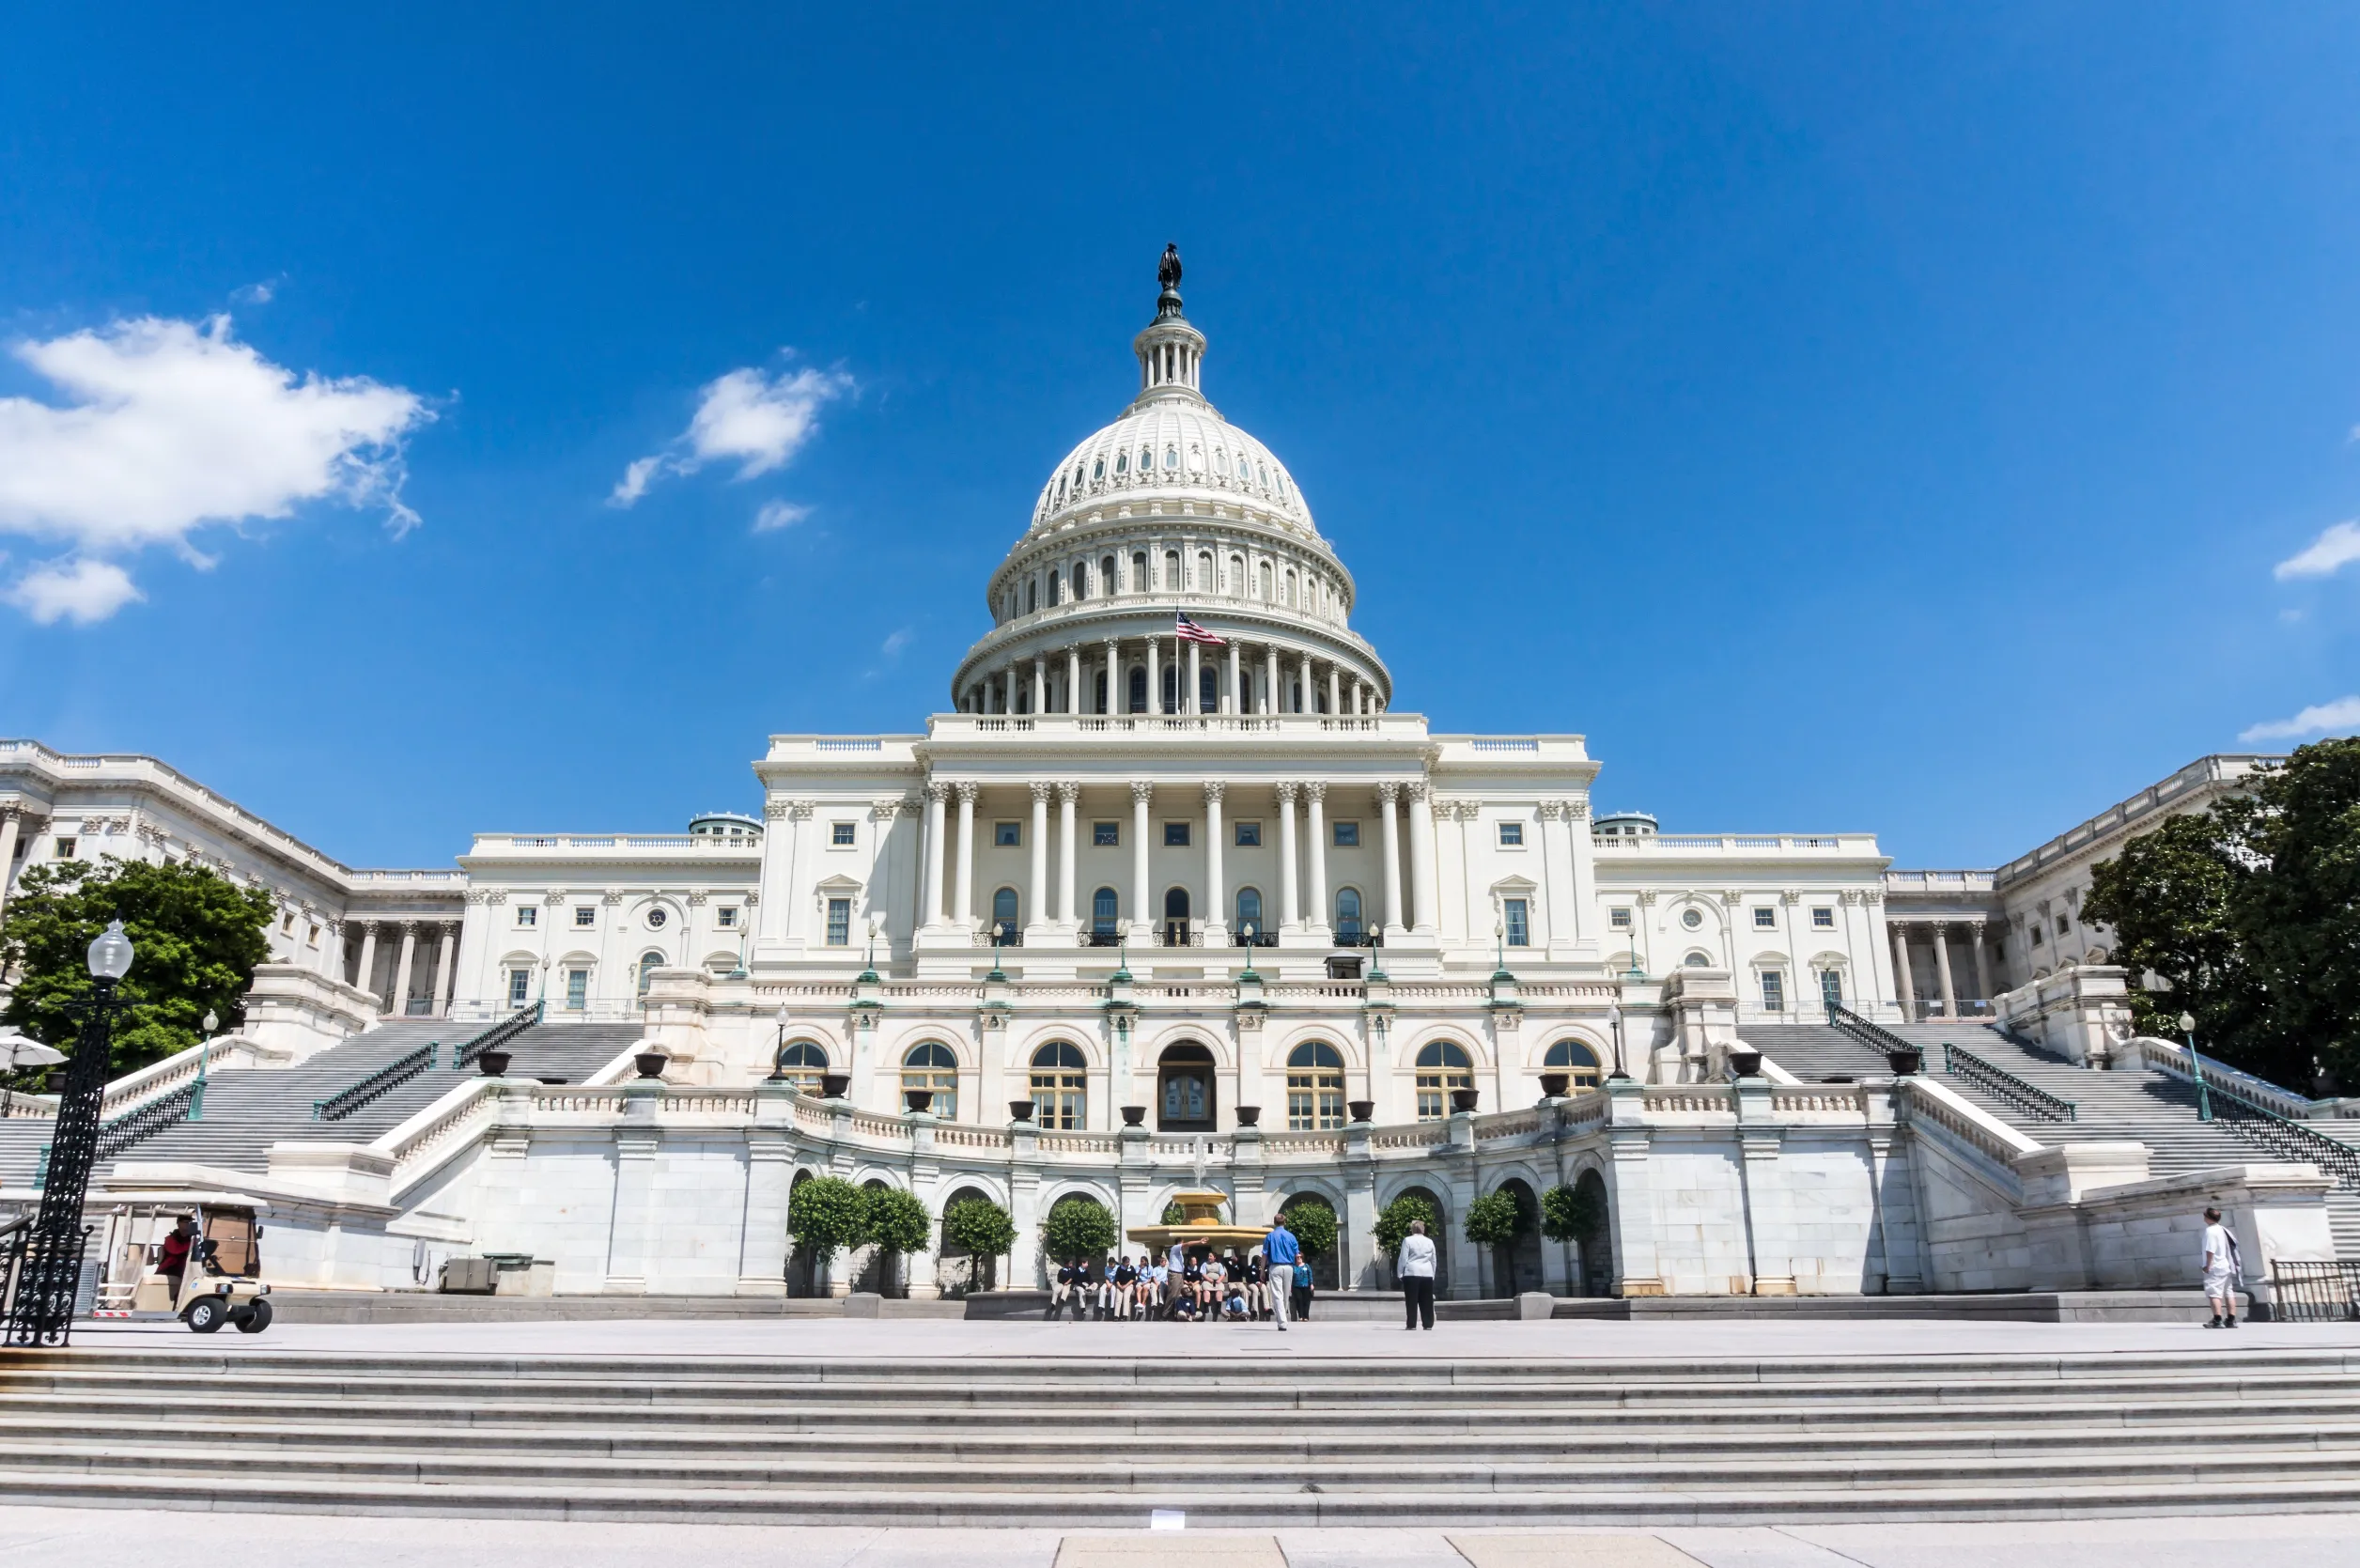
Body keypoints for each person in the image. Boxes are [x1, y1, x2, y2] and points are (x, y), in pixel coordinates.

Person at [2201, 1205, 2243, 1329]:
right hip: (2225, 1265)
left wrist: (2208, 1265)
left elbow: (2210, 1250)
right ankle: (2231, 1319)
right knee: (2229, 1292)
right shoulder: (2222, 1229)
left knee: (2214, 1293)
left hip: (2215, 1266)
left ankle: (2217, 1319)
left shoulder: (2210, 1231)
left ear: (2208, 1217)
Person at [1398, 1218, 1437, 1330]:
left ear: (1412, 1229)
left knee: (1411, 1300)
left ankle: (1411, 1324)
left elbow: (1403, 1258)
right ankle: (1428, 1323)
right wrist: (1432, 1273)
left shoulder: (1408, 1240)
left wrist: (1400, 1272)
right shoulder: (1430, 1241)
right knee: (1427, 1301)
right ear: (1423, 1229)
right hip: (1427, 1273)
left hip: (1411, 1272)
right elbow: (1433, 1260)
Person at [1264, 1215, 1300, 1332]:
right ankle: (1282, 1319)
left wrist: (1261, 1270)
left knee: (1277, 1295)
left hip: (1275, 1267)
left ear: (1274, 1222)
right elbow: (1297, 1254)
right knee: (1285, 1294)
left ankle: (1282, 1321)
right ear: (1285, 1222)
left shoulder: (1270, 1236)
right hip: (1289, 1267)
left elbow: (1264, 1254)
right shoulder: (1291, 1236)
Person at [156, 1216, 197, 1303]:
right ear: (178, 1223)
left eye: (189, 1222)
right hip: (170, 1268)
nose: (187, 1224)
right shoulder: (170, 1239)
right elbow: (175, 1250)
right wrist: (193, 1244)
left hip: (187, 1267)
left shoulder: (193, 1239)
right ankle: (177, 1301)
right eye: (185, 1222)